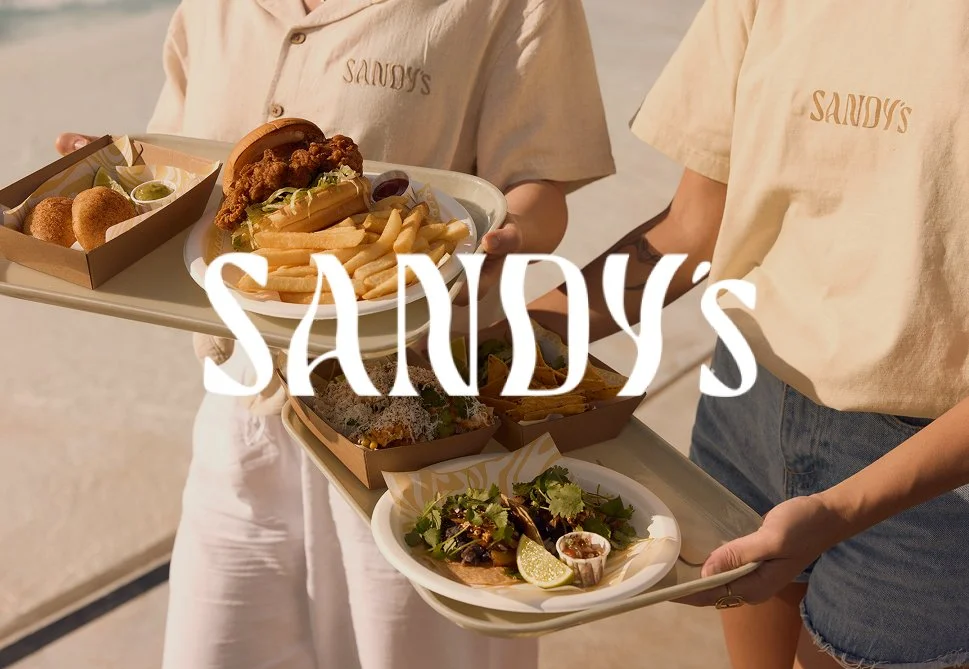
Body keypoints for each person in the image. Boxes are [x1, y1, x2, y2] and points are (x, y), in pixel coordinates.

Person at [59, 1, 614, 668]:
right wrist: (117, 188)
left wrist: (508, 237)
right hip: (240, 409)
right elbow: (178, 171)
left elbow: (537, 183)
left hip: (414, 428)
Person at [526, 1, 969, 668]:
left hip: (919, 469)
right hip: (746, 403)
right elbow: (691, 226)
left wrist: (840, 508)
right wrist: (506, 337)